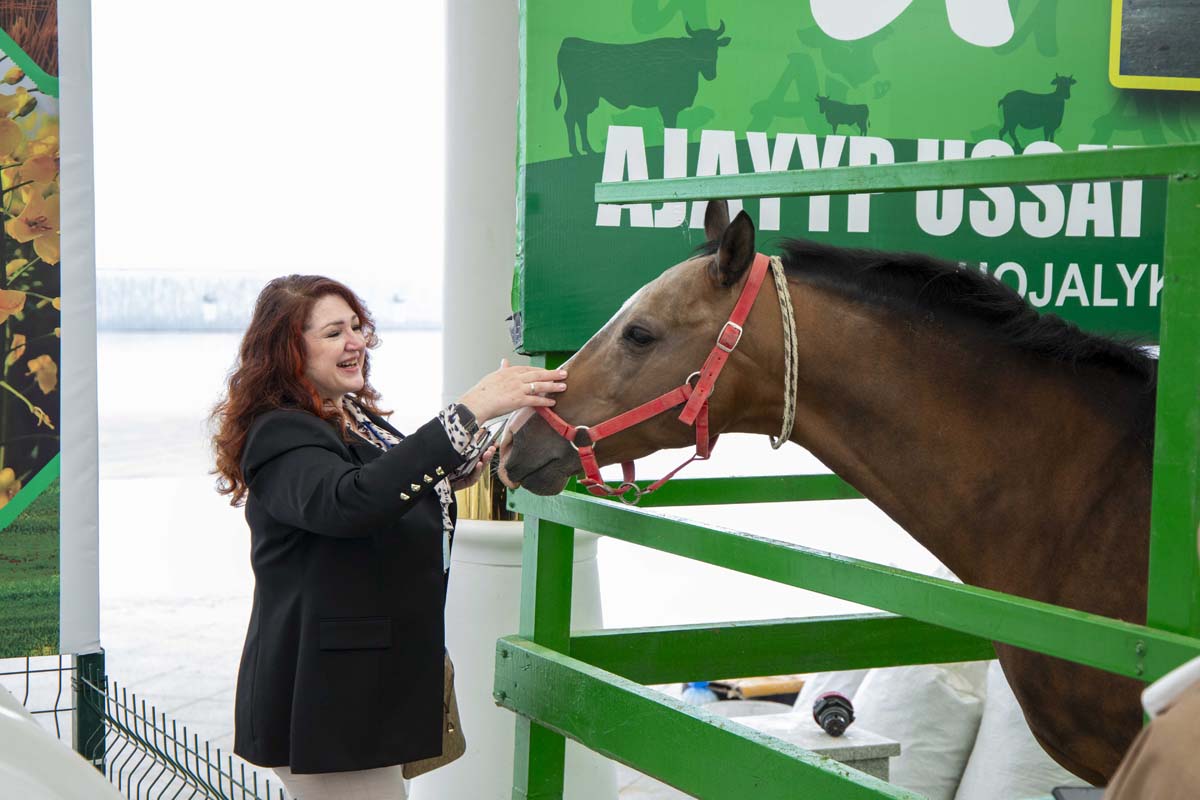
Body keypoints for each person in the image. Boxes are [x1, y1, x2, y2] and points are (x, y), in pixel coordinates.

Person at [209, 275, 566, 799]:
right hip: (326, 696)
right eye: (333, 332)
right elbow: (351, 502)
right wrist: (467, 412)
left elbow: (395, 486)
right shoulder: (279, 431)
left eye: (356, 326)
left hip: (360, 687)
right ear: (287, 349)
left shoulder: (350, 418)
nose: (356, 341)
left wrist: (491, 431)